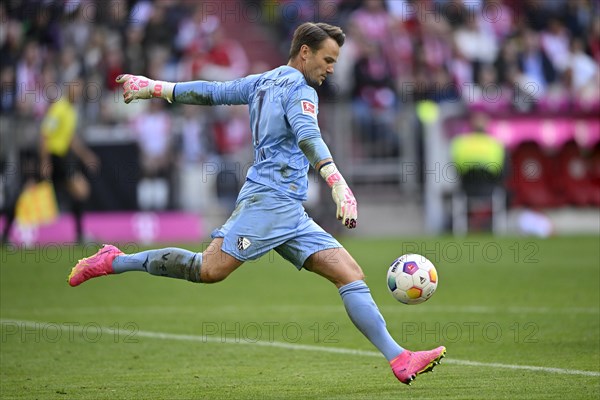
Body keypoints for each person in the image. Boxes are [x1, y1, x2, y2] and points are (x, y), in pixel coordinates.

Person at [67, 22, 445, 385]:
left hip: (290, 210)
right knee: (209, 269)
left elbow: (212, 92)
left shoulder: (263, 80)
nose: (332, 69)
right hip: (267, 203)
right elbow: (308, 135)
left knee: (349, 273)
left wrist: (156, 88)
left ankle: (399, 358)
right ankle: (115, 260)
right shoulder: (301, 89)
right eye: (328, 60)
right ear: (305, 53)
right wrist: (338, 184)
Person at [1, 77, 98, 245]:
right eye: (76, 88)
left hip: (61, 158)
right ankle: (5, 236)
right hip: (51, 156)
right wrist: (45, 162)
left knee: (81, 191)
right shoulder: (59, 108)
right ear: (69, 89)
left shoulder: (71, 111)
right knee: (25, 193)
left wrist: (86, 155)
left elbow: (70, 139)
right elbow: (45, 135)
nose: (78, 92)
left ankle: (80, 235)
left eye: (81, 89)